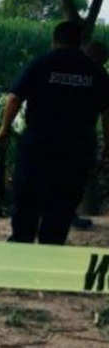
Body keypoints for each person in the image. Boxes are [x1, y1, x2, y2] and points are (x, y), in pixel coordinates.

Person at [0, 22, 109, 245]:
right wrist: (107, 145)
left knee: (27, 202)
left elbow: (14, 98)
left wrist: (4, 130)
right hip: (77, 150)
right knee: (62, 207)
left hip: (38, 146)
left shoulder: (42, 63)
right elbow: (107, 112)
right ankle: (50, 251)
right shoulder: (95, 71)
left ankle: (21, 247)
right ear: (80, 42)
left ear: (54, 40)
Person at [72, 40, 109, 228]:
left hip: (55, 131)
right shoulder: (100, 75)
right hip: (83, 133)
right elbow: (106, 113)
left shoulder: (68, 68)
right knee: (77, 175)